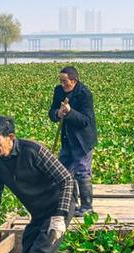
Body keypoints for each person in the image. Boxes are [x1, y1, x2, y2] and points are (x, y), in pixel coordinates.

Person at [0, 116, 75, 253]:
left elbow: (66, 179)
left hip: (58, 205)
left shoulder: (33, 150)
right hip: (38, 212)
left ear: (10, 138)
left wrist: (60, 216)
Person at [48, 66, 97, 217]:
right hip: (67, 138)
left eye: (65, 81)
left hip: (83, 140)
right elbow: (52, 113)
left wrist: (69, 112)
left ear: (74, 80)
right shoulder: (59, 91)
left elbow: (85, 121)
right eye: (60, 81)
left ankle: (87, 207)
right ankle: (72, 204)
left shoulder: (84, 94)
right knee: (63, 172)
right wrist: (58, 113)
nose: (62, 84)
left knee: (82, 172)